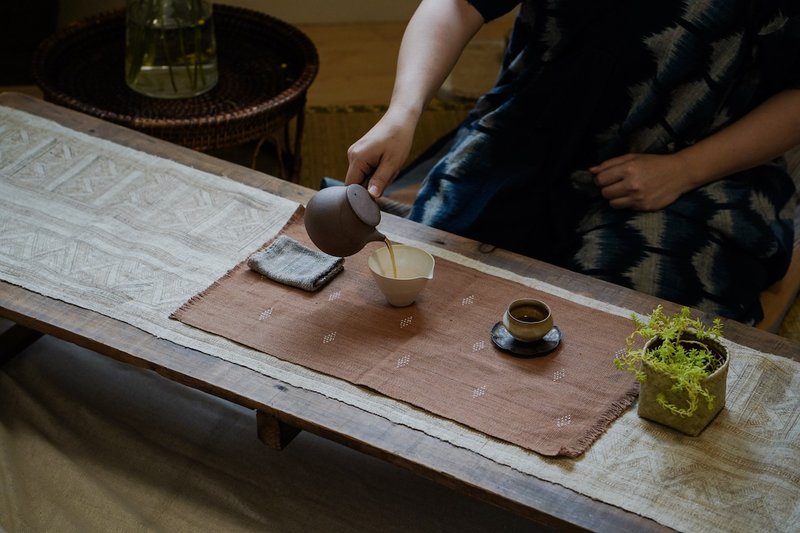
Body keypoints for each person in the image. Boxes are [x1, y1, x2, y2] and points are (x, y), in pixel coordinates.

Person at [344, 0, 800, 324]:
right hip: (530, 132)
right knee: (426, 284)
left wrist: (685, 170)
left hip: (694, 165)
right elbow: (457, 4)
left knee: (628, 333)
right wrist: (403, 112)